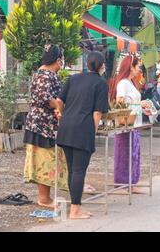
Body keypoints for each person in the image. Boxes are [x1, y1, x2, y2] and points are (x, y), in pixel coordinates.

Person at [56, 52, 109, 219]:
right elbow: (97, 113)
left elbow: (59, 101)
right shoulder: (101, 83)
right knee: (79, 171)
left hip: (65, 127)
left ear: (87, 65)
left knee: (73, 170)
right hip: (82, 129)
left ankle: (75, 207)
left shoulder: (73, 79)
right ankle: (75, 209)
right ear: (101, 67)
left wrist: (65, 115)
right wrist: (92, 132)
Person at [23, 44, 68, 208]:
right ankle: (44, 198)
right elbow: (46, 99)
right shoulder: (45, 75)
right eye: (62, 60)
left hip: (45, 124)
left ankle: (46, 196)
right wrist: (60, 106)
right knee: (44, 159)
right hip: (42, 125)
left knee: (48, 159)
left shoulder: (44, 73)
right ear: (58, 60)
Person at [109, 55, 145, 193]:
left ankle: (132, 182)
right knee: (124, 153)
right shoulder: (123, 83)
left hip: (135, 123)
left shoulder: (131, 83)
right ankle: (121, 183)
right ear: (131, 66)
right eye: (137, 66)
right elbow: (120, 102)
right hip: (126, 123)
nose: (139, 69)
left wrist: (142, 106)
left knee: (134, 153)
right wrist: (138, 104)